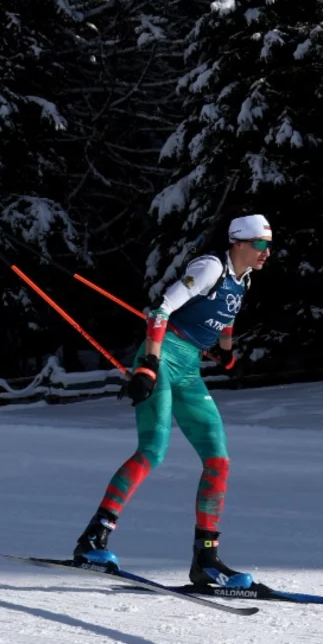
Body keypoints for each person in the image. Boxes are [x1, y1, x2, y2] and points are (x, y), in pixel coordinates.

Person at [71, 214, 273, 588]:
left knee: (219, 460)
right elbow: (162, 309)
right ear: (239, 243)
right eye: (261, 244)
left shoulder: (242, 279)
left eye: (269, 245)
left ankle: (206, 560)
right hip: (163, 357)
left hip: (190, 367)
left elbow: (226, 317)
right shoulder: (210, 267)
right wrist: (148, 364)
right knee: (153, 450)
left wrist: (227, 351)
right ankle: (92, 539)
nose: (266, 252)